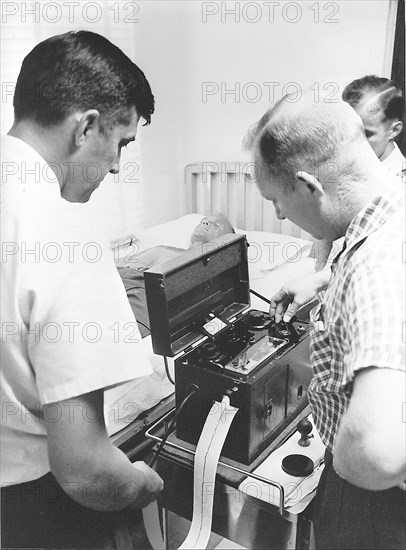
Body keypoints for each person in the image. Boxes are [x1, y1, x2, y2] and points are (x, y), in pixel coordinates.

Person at [1, 31, 163, 548]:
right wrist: (140, 484)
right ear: (87, 126)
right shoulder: (63, 238)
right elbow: (87, 473)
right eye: (121, 143)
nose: (116, 165)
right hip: (33, 509)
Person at [247, 95, 405, 548]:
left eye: (276, 200)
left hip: (375, 503)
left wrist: (342, 466)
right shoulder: (394, 209)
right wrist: (325, 281)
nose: (278, 214)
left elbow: (376, 454)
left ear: (307, 185)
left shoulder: (376, 268)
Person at [314, 75, 405, 271]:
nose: (353, 143)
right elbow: (325, 236)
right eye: (349, 131)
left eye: (367, 133)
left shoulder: (400, 185)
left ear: (394, 130)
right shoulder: (341, 163)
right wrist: (316, 271)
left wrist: (321, 281)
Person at [117, 214, 235, 337]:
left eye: (216, 225)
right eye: (204, 220)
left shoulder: (206, 270)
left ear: (225, 240)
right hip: (116, 281)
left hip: (144, 292)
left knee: (121, 332)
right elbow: (111, 266)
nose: (205, 223)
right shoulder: (162, 248)